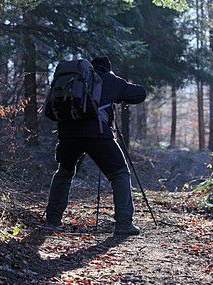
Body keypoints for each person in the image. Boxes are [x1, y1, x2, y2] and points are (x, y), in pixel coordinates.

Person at [45, 56, 146, 236]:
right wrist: (118, 90)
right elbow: (140, 94)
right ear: (107, 68)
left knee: (64, 173)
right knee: (120, 174)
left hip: (68, 134)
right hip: (97, 134)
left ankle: (52, 220)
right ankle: (124, 224)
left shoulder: (78, 80)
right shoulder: (109, 79)